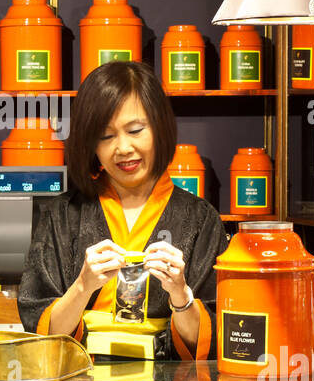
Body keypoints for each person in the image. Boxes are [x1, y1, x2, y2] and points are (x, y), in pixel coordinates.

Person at [17, 61, 229, 360]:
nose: (123, 148)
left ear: (159, 128)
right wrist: (82, 286)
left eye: (135, 130)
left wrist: (180, 295)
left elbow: (210, 342)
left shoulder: (200, 219)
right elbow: (42, 335)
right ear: (90, 145)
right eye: (106, 136)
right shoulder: (62, 215)